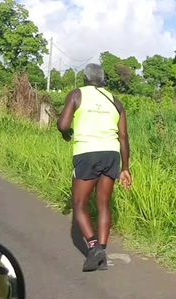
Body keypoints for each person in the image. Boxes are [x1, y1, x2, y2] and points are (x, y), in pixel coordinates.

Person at [57, 63, 132, 272]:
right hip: (111, 154)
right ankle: (102, 251)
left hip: (87, 153)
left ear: (85, 78)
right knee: (104, 205)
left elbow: (63, 125)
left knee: (80, 203)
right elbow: (124, 136)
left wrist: (66, 132)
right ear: (103, 79)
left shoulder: (77, 94)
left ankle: (93, 247)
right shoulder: (115, 102)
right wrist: (125, 168)